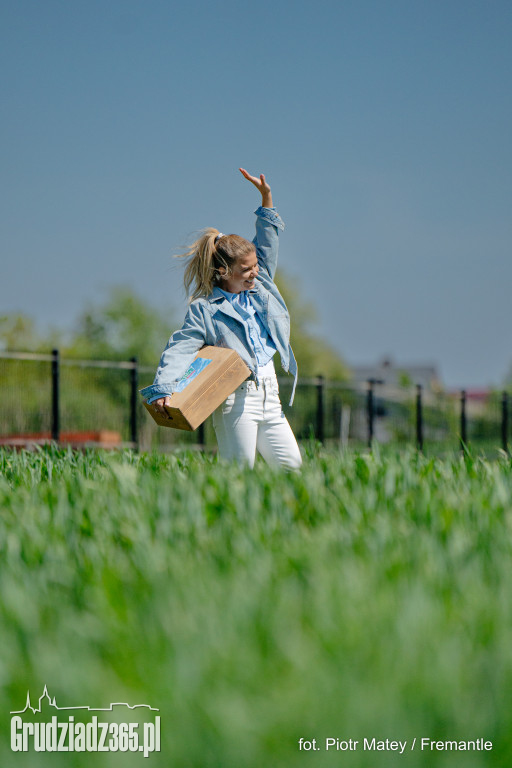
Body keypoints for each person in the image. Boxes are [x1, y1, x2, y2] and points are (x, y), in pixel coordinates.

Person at [140, 168, 302, 470]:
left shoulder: (261, 284)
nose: (255, 272)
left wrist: (266, 198)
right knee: (238, 473)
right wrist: (163, 388)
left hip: (271, 397)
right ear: (224, 272)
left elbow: (268, 241)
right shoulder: (206, 309)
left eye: (256, 266)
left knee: (292, 466)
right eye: (247, 269)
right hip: (236, 401)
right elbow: (181, 347)